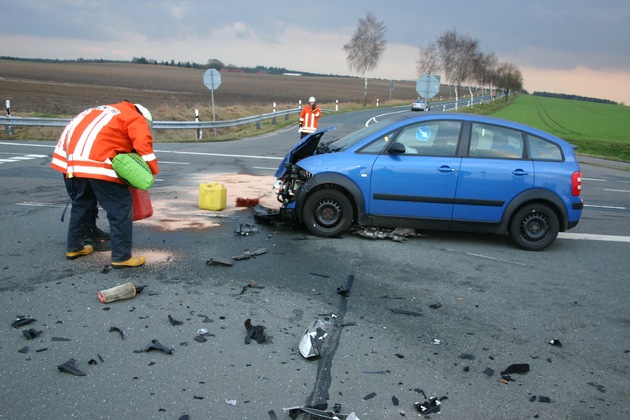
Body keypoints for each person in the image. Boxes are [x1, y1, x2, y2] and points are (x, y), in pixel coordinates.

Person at [51, 101, 159, 268]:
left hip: (72, 164)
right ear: (144, 117)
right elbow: (144, 147)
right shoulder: (134, 116)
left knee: (81, 204)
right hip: (99, 164)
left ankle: (74, 247)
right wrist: (150, 171)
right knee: (120, 208)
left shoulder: (97, 111)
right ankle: (121, 257)